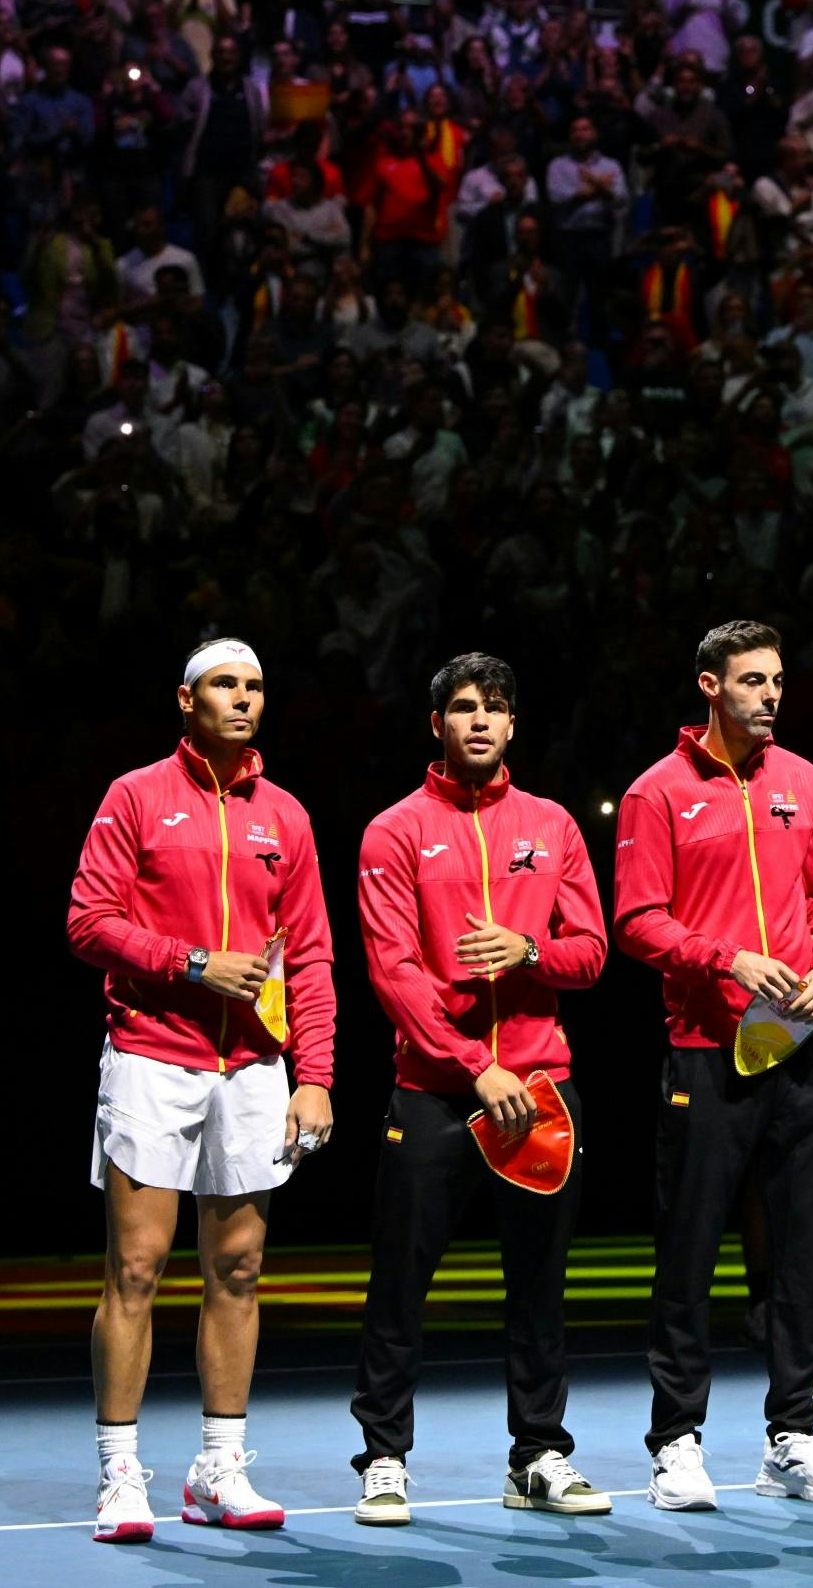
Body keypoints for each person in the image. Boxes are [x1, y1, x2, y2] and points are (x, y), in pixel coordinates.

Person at [64, 638, 338, 1543]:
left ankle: (217, 1469)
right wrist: (188, 964)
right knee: (137, 1268)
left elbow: (310, 956)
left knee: (240, 1268)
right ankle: (118, 1474)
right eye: (225, 685)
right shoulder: (135, 796)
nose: (243, 699)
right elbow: (88, 921)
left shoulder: (286, 817)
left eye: (256, 686)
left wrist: (318, 1076)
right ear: (186, 700)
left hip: (254, 1069)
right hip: (151, 1053)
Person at [348, 651, 614, 1526]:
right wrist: (474, 1064)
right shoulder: (393, 831)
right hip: (436, 1090)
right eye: (463, 707)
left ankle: (538, 1454)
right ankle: (384, 1456)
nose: (479, 721)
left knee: (539, 1282)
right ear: (438, 724)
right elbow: (393, 972)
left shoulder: (554, 824)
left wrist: (531, 951)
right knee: (402, 1281)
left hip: (542, 1088)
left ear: (512, 725)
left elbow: (592, 952)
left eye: (494, 708)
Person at [614, 620, 813, 1507]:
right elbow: (637, 919)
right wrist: (727, 958)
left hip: (802, 1049)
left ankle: (791, 1438)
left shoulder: (800, 780)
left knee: (801, 1256)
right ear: (710, 687)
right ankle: (676, 1442)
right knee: (689, 1254)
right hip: (705, 1053)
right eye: (754, 681)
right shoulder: (657, 792)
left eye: (779, 680)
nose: (771, 695)